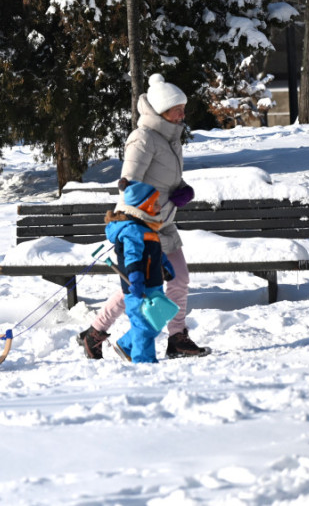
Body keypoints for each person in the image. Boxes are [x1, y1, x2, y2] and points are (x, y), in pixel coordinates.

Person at [77, 73, 211, 360]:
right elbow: (129, 185)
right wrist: (154, 208)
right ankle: (97, 333)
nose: (182, 114)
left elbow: (167, 178)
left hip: (164, 222)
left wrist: (181, 189)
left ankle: (176, 337)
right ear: (161, 110)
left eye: (183, 109)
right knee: (138, 287)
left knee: (178, 279)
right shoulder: (142, 138)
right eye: (177, 109)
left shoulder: (171, 138)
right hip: (141, 224)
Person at [104, 180, 176, 363]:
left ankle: (126, 345)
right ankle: (144, 364)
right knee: (144, 327)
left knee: (155, 321)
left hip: (153, 284)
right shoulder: (132, 230)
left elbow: (155, 253)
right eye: (155, 203)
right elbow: (132, 257)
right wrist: (136, 279)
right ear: (144, 206)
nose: (159, 206)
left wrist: (165, 265)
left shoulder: (146, 227)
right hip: (139, 286)